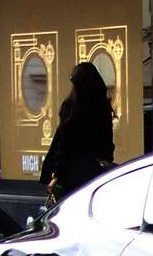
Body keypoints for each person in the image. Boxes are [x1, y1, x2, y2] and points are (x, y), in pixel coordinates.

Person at [39, 62, 115, 202]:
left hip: (71, 175)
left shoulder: (70, 107)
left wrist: (56, 175)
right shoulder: (102, 108)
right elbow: (107, 145)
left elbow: (64, 145)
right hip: (94, 174)